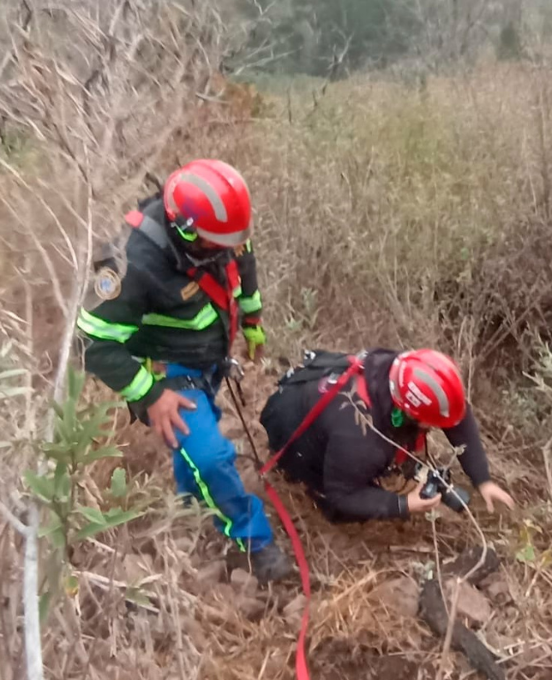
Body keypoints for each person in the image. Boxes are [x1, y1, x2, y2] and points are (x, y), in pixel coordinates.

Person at [76, 159, 292, 584]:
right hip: (168, 370)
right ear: (187, 232)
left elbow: (242, 265)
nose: (230, 248)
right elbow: (92, 342)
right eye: (219, 244)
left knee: (196, 455)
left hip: (209, 356)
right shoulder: (129, 264)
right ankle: (253, 541)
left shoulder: (221, 232)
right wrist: (150, 394)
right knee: (211, 458)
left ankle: (193, 505)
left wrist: (252, 322)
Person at [259, 347, 516, 523]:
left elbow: (456, 417)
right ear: (409, 410)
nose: (440, 427)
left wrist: (483, 479)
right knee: (342, 511)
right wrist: (403, 505)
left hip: (314, 397)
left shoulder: (400, 369)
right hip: (290, 430)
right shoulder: (360, 438)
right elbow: (343, 495)